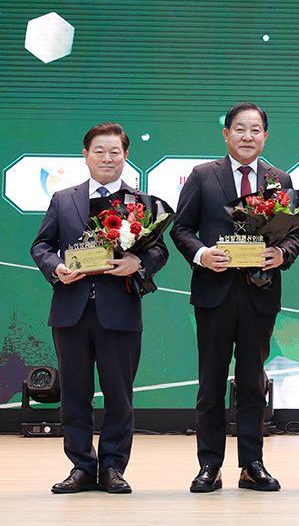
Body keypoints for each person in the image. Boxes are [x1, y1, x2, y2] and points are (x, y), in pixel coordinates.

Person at [170, 103, 299, 492]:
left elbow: (295, 233)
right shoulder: (203, 176)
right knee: (211, 383)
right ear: (226, 134)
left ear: (266, 136)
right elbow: (181, 229)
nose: (248, 136)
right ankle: (209, 466)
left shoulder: (279, 179)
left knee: (251, 383)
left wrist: (282, 254)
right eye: (241, 129)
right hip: (214, 292)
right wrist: (202, 254)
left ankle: (252, 465)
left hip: (260, 294)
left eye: (256, 130)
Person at [31, 123, 170, 494]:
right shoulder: (64, 199)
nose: (107, 158)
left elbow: (160, 250)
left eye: (115, 152)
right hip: (71, 310)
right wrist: (55, 268)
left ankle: (112, 468)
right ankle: (81, 466)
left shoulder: (141, 203)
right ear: (85, 155)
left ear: (126, 156)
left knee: (119, 396)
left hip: (119, 310)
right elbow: (41, 245)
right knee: (74, 395)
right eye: (99, 151)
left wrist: (139, 263)